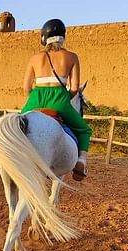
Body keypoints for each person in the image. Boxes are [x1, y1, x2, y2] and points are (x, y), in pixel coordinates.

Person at [20, 19, 92, 181]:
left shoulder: (35, 58)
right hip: (59, 101)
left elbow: (26, 87)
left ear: (44, 38)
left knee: (16, 126)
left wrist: (35, 98)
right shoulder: (72, 57)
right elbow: (74, 88)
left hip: (35, 99)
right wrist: (63, 99)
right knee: (84, 130)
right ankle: (81, 162)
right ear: (63, 37)